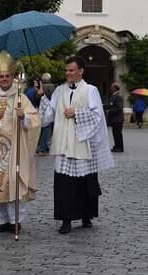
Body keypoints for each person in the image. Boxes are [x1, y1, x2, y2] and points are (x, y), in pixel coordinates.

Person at [35, 56, 114, 234]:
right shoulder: (59, 91)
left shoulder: (90, 90)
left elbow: (97, 116)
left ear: (81, 71)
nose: (68, 73)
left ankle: (86, 216)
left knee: (85, 182)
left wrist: (77, 113)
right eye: (66, 70)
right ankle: (66, 219)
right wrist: (42, 97)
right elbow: (48, 116)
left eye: (71, 70)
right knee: (65, 184)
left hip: (83, 143)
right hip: (64, 144)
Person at [0, 50, 41, 233]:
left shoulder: (21, 98)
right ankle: (1, 221)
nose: (4, 79)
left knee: (13, 184)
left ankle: (15, 221)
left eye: (7, 76)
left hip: (14, 151)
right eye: (1, 76)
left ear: (12, 77)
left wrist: (24, 116)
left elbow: (36, 121)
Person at [35, 73, 56, 155]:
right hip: (48, 110)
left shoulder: (40, 86)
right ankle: (42, 148)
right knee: (46, 130)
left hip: (40, 110)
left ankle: (44, 148)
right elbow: (54, 98)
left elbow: (35, 97)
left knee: (43, 130)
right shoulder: (51, 87)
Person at [106, 83, 124, 152]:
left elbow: (119, 107)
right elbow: (110, 105)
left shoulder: (118, 97)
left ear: (115, 88)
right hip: (114, 119)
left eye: (112, 87)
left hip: (118, 119)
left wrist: (109, 111)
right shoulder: (113, 96)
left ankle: (120, 148)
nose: (110, 88)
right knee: (115, 133)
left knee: (118, 134)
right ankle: (116, 146)